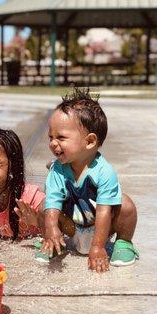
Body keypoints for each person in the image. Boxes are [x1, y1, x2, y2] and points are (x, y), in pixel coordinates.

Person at [38, 87, 139, 272]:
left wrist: (98, 246)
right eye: (50, 137)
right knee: (43, 205)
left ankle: (124, 243)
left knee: (126, 205)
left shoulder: (104, 171)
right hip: (72, 226)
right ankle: (52, 242)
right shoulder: (58, 169)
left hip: (103, 227)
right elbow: (52, 202)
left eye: (61, 137)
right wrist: (51, 228)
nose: (53, 143)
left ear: (90, 141)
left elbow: (103, 211)